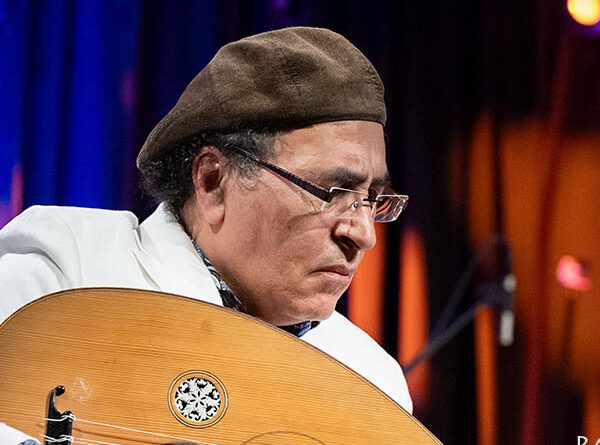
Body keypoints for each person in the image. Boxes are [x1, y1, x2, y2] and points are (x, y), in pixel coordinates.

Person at [0, 26, 411, 442]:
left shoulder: (370, 381)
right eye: (332, 192)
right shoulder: (68, 272)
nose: (364, 234)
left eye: (372, 199)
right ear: (213, 182)